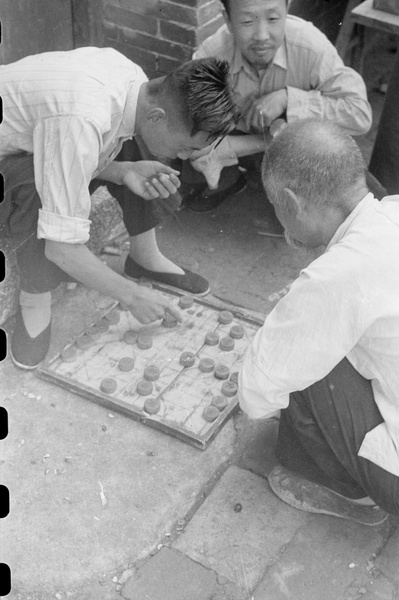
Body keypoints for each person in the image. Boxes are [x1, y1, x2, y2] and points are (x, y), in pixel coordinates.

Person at [0, 47, 240, 370]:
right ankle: (35, 294)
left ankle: (145, 256)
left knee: (136, 132)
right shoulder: (82, 116)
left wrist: (125, 171)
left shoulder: (138, 83)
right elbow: (62, 249)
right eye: (186, 147)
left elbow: (81, 147)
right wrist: (130, 295)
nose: (184, 158)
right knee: (36, 184)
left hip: (41, 134)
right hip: (9, 161)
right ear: (159, 117)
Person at [238, 118, 399, 524]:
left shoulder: (337, 275)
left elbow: (257, 394)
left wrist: (297, 311)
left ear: (291, 203)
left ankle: (350, 492)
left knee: (306, 363)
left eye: (278, 210)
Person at [183, 0, 372, 213]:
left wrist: (288, 99)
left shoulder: (310, 45)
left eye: (273, 19)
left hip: (293, 148)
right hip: (238, 139)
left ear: (287, 10)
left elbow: (359, 113)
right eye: (246, 21)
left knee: (336, 194)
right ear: (227, 19)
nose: (262, 35)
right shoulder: (212, 53)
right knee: (189, 150)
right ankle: (232, 180)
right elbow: (184, 119)